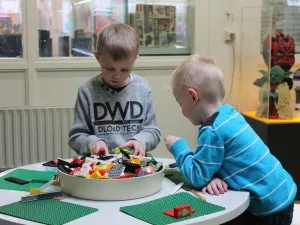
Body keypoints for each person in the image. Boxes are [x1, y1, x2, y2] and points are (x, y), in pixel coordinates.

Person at [164, 55, 296, 225]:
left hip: (267, 211)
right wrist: (214, 176)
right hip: (284, 194)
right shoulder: (230, 114)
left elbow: (197, 176)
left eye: (180, 103)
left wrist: (178, 148)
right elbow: (229, 158)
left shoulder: (211, 130)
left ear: (193, 96)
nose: (182, 111)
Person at [69, 23, 161, 157]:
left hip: (135, 165)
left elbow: (153, 131)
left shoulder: (142, 88)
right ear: (97, 57)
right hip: (99, 167)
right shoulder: (87, 90)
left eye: (125, 69)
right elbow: (76, 137)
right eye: (110, 68)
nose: (117, 75)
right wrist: (92, 142)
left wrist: (140, 141)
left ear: (135, 59)